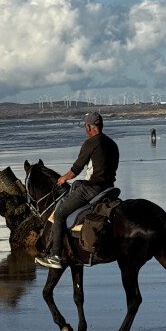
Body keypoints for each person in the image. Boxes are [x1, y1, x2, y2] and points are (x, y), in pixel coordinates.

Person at [35, 110, 119, 269]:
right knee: (77, 185)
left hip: (92, 189)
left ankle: (55, 256)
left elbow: (76, 169)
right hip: (109, 188)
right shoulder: (112, 143)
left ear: (89, 127)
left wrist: (63, 178)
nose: (84, 129)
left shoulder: (91, 143)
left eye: (84, 126)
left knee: (59, 214)